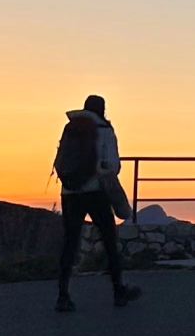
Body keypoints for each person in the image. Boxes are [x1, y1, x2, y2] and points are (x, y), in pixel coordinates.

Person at [53, 94, 143, 314]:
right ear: (102, 110)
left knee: (70, 242)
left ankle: (62, 296)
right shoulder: (104, 130)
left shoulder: (70, 128)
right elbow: (113, 165)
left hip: (69, 192)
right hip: (96, 191)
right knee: (110, 240)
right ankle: (118, 291)